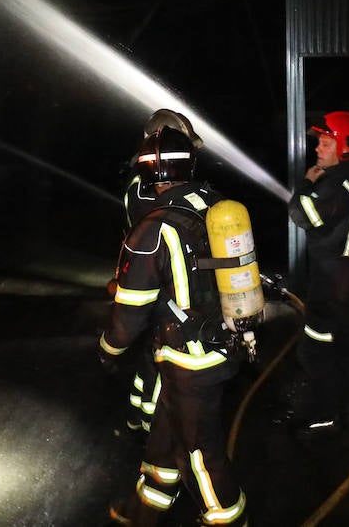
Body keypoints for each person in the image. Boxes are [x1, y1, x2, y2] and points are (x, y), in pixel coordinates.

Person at [100, 125, 250, 526]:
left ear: (149, 172)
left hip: (190, 359)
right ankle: (149, 504)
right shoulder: (215, 205)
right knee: (167, 431)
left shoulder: (150, 229)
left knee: (199, 455)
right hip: (228, 343)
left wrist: (107, 350)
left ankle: (227, 518)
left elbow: (128, 315)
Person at [116, 109, 207, 434]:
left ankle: (138, 418)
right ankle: (153, 427)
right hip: (158, 290)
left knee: (149, 360)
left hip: (158, 284)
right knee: (159, 363)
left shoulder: (146, 185)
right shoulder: (145, 192)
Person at [287, 110, 349, 439]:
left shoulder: (336, 185)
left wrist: (306, 183)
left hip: (331, 280)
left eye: (325, 143)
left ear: (345, 147)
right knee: (348, 347)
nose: (318, 150)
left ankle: (324, 416)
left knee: (315, 350)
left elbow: (301, 213)